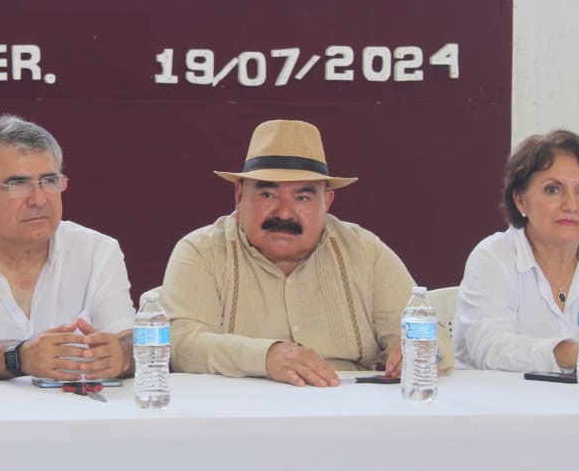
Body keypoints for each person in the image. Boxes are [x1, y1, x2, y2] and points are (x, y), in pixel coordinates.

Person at [161, 118, 450, 387]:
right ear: (239, 196)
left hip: (349, 408)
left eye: (302, 197)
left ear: (328, 201)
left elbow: (430, 332)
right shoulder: (201, 251)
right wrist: (266, 356)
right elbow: (180, 344)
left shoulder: (364, 251)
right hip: (237, 412)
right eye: (267, 194)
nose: (284, 212)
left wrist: (421, 352)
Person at [0, 115, 135, 380]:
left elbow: (128, 340)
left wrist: (120, 356)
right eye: (18, 184)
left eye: (50, 181)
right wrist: (18, 357)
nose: (39, 199)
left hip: (73, 415)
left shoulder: (97, 251)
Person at [455, 129, 579, 371]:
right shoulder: (494, 256)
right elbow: (490, 349)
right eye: (553, 190)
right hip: (503, 404)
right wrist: (573, 352)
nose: (571, 205)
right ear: (520, 200)